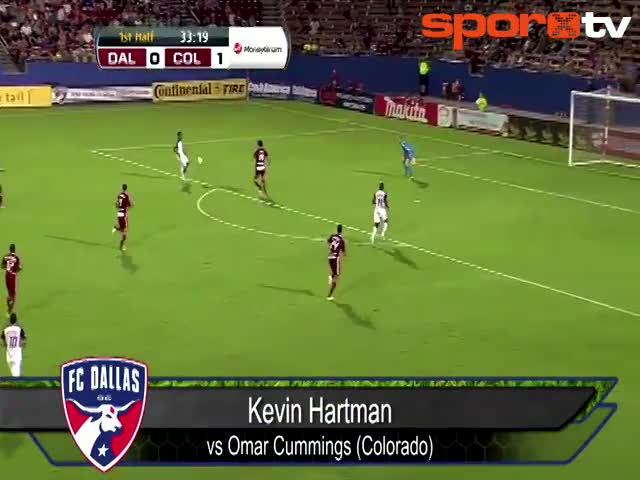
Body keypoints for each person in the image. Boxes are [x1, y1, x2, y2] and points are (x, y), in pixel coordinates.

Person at [2, 313, 26, 377]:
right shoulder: (19, 329)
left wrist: (5, 345)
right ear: (16, 320)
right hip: (17, 356)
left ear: (9, 320)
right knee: (16, 377)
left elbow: (2, 341)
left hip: (9, 357)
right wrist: (22, 345)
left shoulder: (5, 330)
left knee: (16, 374)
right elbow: (24, 339)